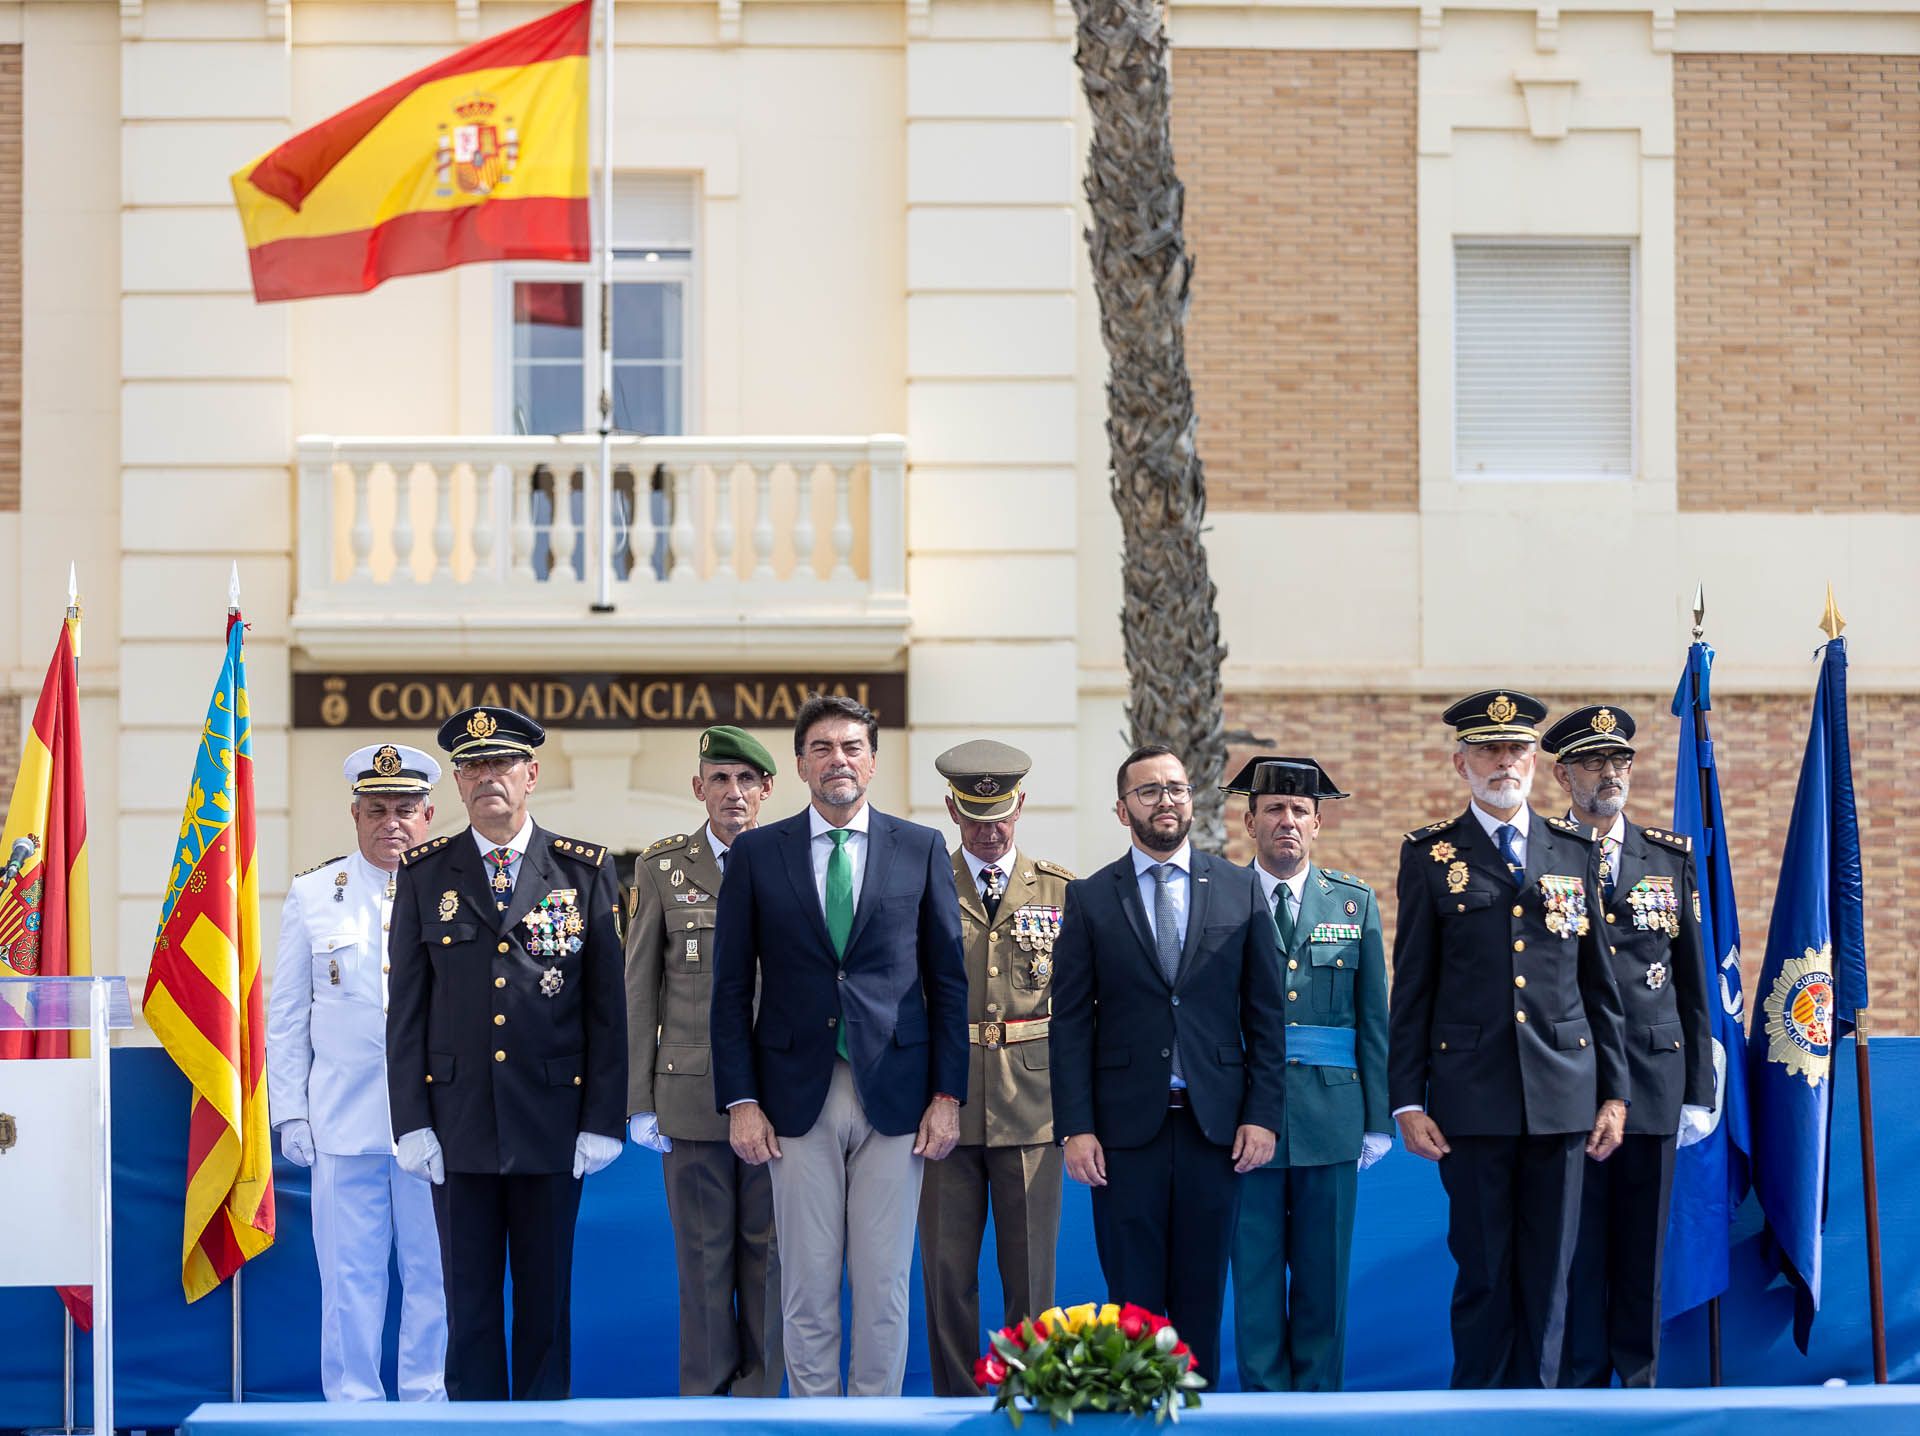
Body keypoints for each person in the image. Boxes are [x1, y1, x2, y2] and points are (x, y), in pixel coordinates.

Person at [709, 693, 968, 1397]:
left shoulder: (919, 849)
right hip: (796, 1099)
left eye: (852, 747)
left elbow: (949, 983)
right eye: (821, 748)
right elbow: (730, 988)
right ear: (798, 766)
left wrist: (949, 1095)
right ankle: (816, 1422)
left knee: (885, 1285)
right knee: (807, 1284)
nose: (838, 760)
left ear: (874, 762)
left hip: (898, 1099)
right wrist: (740, 1099)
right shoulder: (760, 854)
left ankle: (875, 1422)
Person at [1387, 690, 1629, 1389]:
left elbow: (1599, 984)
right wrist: (1407, 1099)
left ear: (1534, 759)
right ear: (1460, 761)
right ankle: (1480, 1416)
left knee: (1553, 1277)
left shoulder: (1573, 848)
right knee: (1485, 1273)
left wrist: (1615, 1092)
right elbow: (1414, 987)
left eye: (1517, 749)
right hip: (1471, 1100)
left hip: (1564, 1098)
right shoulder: (1432, 856)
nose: (1504, 763)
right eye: (1489, 750)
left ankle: (1546, 1417)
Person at [385, 705, 627, 1401]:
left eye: (503, 764)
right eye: (476, 766)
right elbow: (407, 1008)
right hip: (457, 1124)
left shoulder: (582, 871)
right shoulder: (427, 872)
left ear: (532, 774)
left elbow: (607, 1008)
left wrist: (601, 1118)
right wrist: (412, 1120)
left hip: (552, 1122)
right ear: (457, 784)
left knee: (546, 1306)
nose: (490, 777)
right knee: (469, 1310)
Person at [1050, 743, 1288, 1384]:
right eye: (1149, 791)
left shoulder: (1240, 888)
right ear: (1122, 809)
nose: (1166, 801)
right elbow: (1070, 1023)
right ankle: (1138, 1420)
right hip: (1124, 1137)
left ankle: (1198, 1423)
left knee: (1202, 1298)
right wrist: (1076, 1128)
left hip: (1216, 1131)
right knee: (1132, 1304)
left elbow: (1266, 1018)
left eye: (1177, 789)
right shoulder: (1091, 897)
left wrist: (1262, 1116)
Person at [267, 743, 448, 1402]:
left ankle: (430, 1405)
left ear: (428, 815)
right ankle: (352, 1409)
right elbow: (287, 1015)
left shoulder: (454, 893)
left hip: (435, 1123)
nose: (391, 822)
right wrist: (290, 1110)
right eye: (378, 809)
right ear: (355, 814)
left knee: (436, 1277)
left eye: (405, 809)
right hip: (343, 1122)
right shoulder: (316, 894)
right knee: (349, 1281)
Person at [1545, 705, 1715, 1388]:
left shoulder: (1668, 860)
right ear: (1562, 774)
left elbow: (1695, 986)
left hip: (1653, 1082)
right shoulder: (1544, 856)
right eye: (1592, 763)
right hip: (1570, 1083)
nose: (1609, 774)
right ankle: (1582, 1388)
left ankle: (1639, 1390)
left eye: (1619, 762)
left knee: (1643, 1251)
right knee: (1579, 1250)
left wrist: (1699, 1092)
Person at [624, 724, 783, 1396]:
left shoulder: (791, 861)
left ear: (768, 790)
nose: (734, 792)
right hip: (690, 1097)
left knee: (772, 1260)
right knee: (702, 1261)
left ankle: (762, 1403)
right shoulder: (662, 868)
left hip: (779, 1099)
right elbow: (640, 988)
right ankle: (706, 1407)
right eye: (720, 778)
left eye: (747, 780)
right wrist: (638, 1099)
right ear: (699, 788)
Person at [1225, 756, 1390, 1393]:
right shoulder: (1223, 897)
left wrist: (1377, 1118)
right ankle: (1264, 1412)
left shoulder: (1353, 902)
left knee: (1324, 1284)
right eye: (1273, 809)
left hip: (1331, 1119)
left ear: (1317, 823)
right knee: (1257, 1285)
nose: (1286, 820)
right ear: (1249, 822)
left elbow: (1373, 1018)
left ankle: (1319, 1412)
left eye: (1299, 811)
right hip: (1249, 1122)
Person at [917, 740, 1074, 1396]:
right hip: (944, 1104)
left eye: (1000, 814)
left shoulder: (1062, 890)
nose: (989, 830)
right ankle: (955, 1403)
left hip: (1032, 1102)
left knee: (1031, 1277)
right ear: (953, 809)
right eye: (975, 815)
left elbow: (1080, 1005)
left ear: (1021, 806)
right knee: (948, 1275)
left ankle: (1028, 1399)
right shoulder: (924, 885)